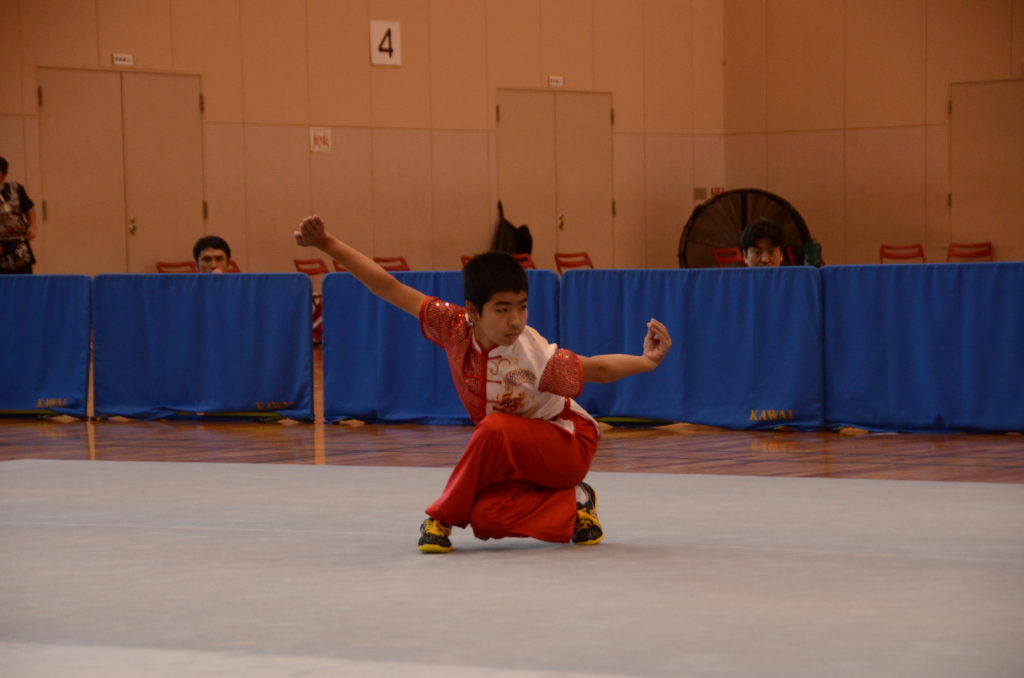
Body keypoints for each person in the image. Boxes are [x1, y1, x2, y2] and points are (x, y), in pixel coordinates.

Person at [294, 214, 672, 553]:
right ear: (474, 311)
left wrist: (646, 361)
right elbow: (388, 287)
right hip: (514, 455)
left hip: (567, 445)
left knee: (493, 428)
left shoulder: (533, 355)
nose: (515, 320)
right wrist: (326, 242)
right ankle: (574, 505)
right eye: (503, 309)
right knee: (485, 518)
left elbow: (598, 369)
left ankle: (440, 518)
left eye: (522, 306)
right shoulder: (452, 327)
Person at [0, 156, 36, 274]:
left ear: (3, 175)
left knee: (23, 279)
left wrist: (32, 227)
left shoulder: (16, 189)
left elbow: (30, 209)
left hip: (17, 242)